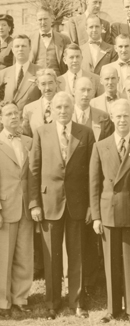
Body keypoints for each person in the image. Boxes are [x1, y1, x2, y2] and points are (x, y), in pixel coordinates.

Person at [29, 91, 96, 319]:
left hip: (78, 203)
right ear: (52, 110)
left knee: (77, 254)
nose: (63, 111)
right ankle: (52, 303)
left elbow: (92, 173)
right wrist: (34, 203)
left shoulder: (85, 133)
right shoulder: (41, 133)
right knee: (51, 257)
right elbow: (34, 171)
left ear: (72, 107)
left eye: (67, 107)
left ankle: (77, 302)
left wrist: (90, 206)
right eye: (58, 107)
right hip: (49, 203)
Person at [89, 99, 130, 323]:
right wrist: (96, 216)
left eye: (126, 116)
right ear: (112, 118)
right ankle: (112, 309)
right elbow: (94, 184)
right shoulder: (100, 146)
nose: (122, 120)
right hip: (108, 212)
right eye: (118, 116)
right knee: (111, 263)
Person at [0, 103, 34, 317]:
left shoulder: (29, 142)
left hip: (26, 207)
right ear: (1, 118)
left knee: (24, 254)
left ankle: (21, 297)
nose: (14, 117)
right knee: (3, 255)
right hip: (5, 206)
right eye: (9, 114)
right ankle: (3, 301)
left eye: (16, 114)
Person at [0, 36, 41, 110]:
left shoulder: (40, 71)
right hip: (10, 117)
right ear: (12, 49)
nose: (20, 49)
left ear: (30, 49)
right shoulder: (3, 73)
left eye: (24, 46)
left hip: (31, 116)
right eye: (17, 46)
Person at [72, 76, 114, 141]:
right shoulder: (66, 116)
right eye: (82, 90)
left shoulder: (104, 117)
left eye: (89, 90)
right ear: (74, 91)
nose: (86, 94)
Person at [29, 8, 69, 75]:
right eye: (40, 19)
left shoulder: (64, 39)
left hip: (58, 79)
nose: (43, 22)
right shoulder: (29, 39)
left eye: (45, 19)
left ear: (52, 19)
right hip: (36, 79)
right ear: (36, 21)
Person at [21, 68, 57, 137]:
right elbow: (27, 136)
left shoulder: (66, 105)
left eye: (50, 83)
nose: (47, 88)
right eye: (43, 84)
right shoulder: (29, 109)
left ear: (56, 83)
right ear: (38, 85)